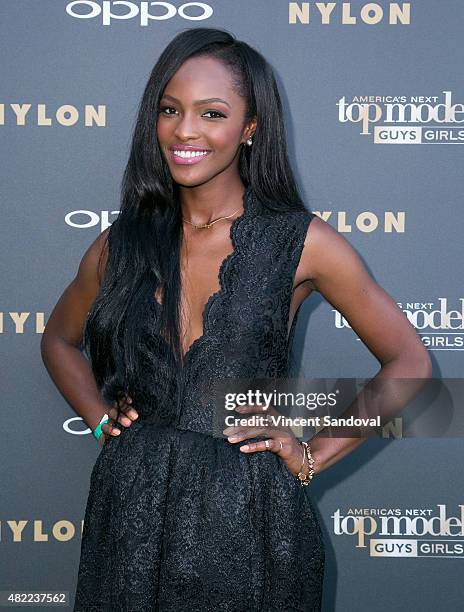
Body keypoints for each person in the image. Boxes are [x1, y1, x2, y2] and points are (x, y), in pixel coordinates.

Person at [40, 27, 432, 611]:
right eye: (169, 110)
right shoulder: (119, 244)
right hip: (132, 509)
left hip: (250, 516)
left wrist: (312, 454)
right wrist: (101, 421)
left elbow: (411, 362)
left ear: (251, 128)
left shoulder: (303, 242)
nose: (185, 130)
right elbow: (57, 341)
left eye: (212, 113)